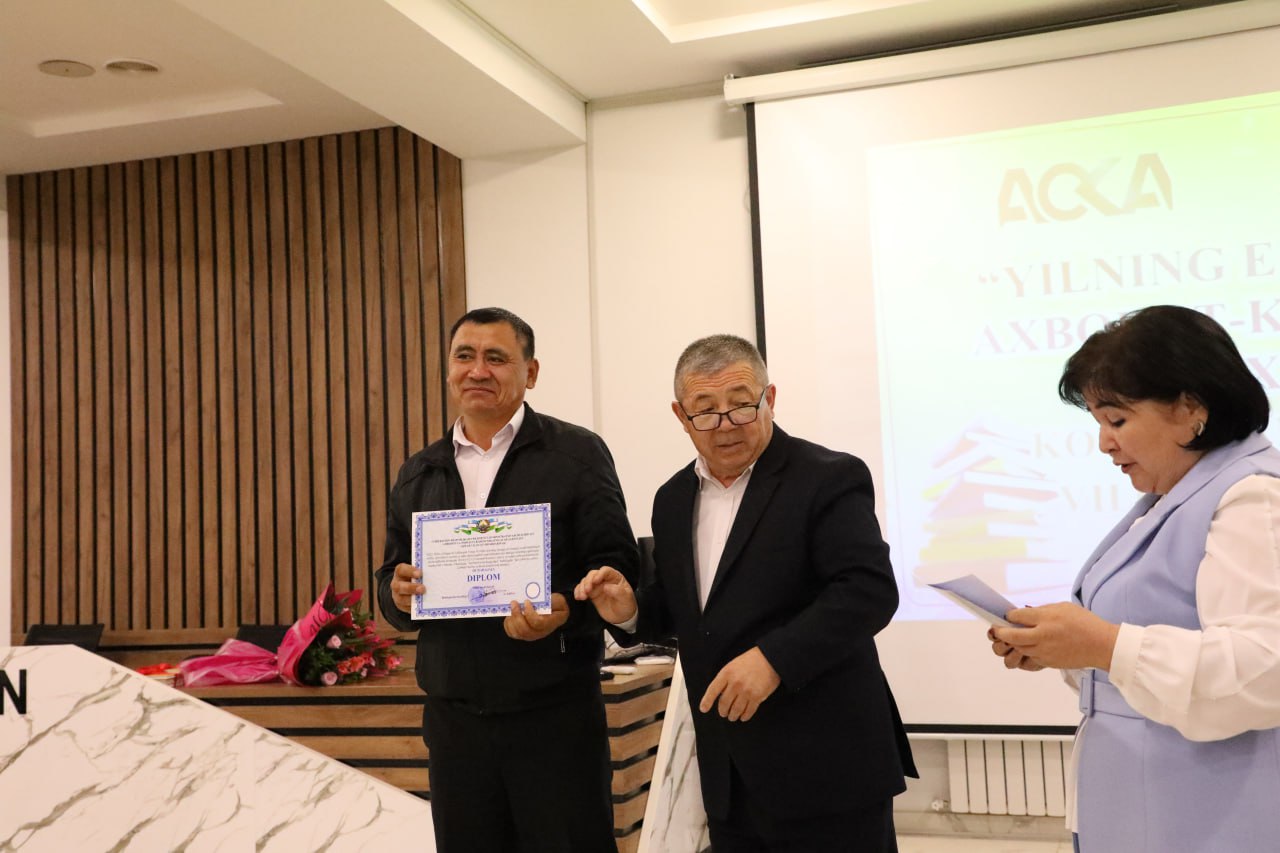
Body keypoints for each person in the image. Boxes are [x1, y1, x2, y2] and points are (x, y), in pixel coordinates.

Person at [576, 333, 916, 853]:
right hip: (729, 775)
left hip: (828, 767)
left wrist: (773, 659)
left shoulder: (828, 476)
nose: (726, 424)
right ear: (681, 416)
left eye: (741, 405)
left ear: (769, 398)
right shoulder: (673, 499)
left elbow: (867, 591)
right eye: (705, 412)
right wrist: (631, 611)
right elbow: (690, 612)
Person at [988, 305, 1280, 853]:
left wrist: (1104, 645)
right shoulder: (1172, 496)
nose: (1104, 443)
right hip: (1146, 804)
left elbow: (1265, 667)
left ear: (1190, 409)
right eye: (1098, 423)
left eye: (1117, 421)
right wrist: (1067, 649)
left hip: (1210, 811)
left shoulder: (1250, 496)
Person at [374, 307, 637, 853]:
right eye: (464, 356)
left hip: (555, 721)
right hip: (455, 726)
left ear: (530, 372)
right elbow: (391, 580)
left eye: (496, 358)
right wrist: (396, 596)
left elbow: (618, 570)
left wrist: (565, 611)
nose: (478, 370)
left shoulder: (576, 455)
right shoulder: (419, 471)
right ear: (449, 369)